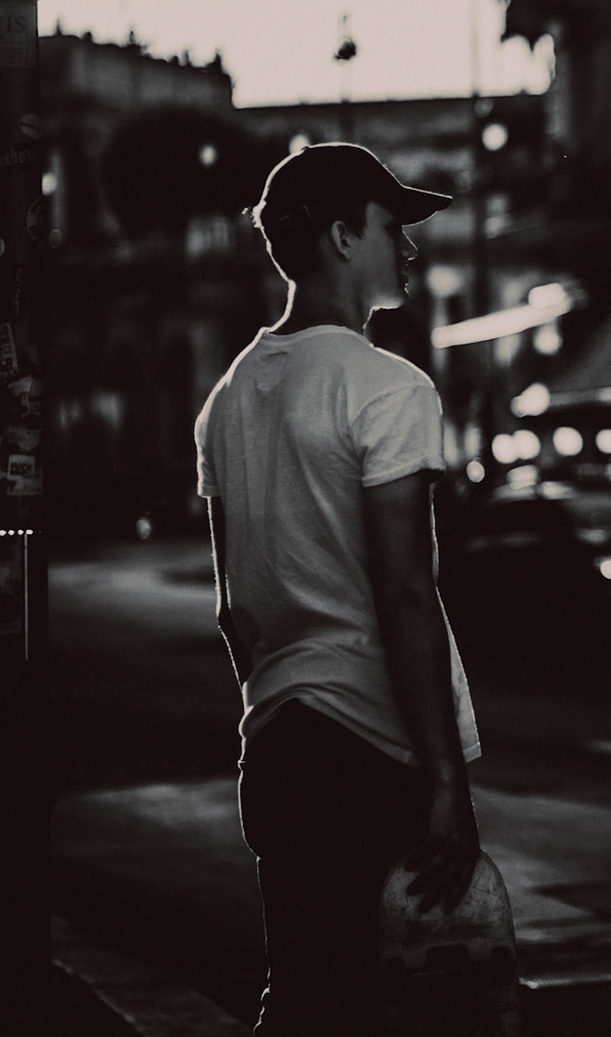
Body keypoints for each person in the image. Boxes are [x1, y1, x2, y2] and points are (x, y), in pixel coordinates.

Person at [193, 142, 483, 1035]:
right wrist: (444, 777)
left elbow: (230, 607)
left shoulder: (228, 398)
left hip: (275, 746)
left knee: (306, 995)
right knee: (387, 1003)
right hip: (368, 750)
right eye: (392, 227)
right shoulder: (388, 388)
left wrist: (280, 692)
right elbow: (405, 591)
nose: (410, 248)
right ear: (339, 236)